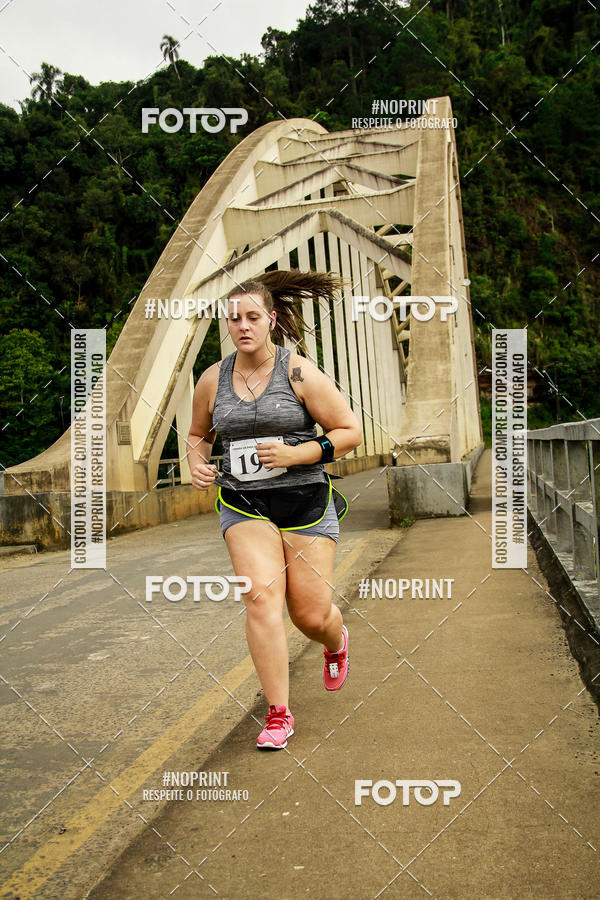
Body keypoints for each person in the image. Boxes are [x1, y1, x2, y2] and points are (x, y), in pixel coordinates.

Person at [186, 270, 362, 750]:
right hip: (243, 503)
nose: (242, 326)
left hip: (305, 502)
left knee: (309, 615)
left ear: (272, 319)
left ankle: (335, 640)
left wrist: (295, 454)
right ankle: (279, 713)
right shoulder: (212, 379)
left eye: (252, 317)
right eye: (234, 319)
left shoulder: (299, 372)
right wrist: (197, 465)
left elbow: (349, 432)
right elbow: (199, 435)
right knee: (261, 598)